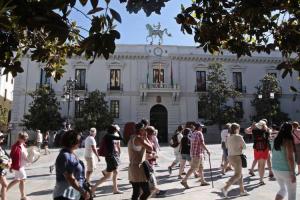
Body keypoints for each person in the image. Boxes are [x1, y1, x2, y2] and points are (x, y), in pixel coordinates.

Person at [52, 130, 90, 200]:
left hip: (75, 193)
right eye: (79, 140)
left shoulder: (70, 153)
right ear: (72, 142)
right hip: (66, 195)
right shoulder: (65, 156)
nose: (80, 142)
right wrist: (83, 191)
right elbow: (70, 178)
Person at [91, 125, 123, 195]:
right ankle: (93, 188)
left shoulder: (107, 135)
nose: (116, 131)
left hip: (109, 157)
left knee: (113, 173)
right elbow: (121, 138)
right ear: (113, 130)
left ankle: (115, 189)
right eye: (115, 130)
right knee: (109, 175)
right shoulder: (109, 136)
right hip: (110, 157)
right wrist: (118, 131)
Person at [221, 123, 249, 198]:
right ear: (236, 129)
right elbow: (245, 147)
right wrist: (239, 147)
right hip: (237, 157)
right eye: (239, 128)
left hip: (230, 157)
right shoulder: (239, 136)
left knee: (240, 174)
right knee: (238, 174)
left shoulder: (228, 136)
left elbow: (226, 146)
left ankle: (242, 191)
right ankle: (225, 188)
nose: (239, 130)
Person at [180, 123, 210, 189]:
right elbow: (201, 143)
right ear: (198, 127)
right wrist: (207, 150)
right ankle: (184, 180)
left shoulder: (193, 133)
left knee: (201, 167)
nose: (202, 128)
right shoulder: (199, 133)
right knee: (193, 168)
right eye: (201, 127)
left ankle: (202, 181)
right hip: (198, 154)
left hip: (195, 153)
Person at [272, 122, 297, 200]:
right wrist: (292, 173)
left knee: (283, 190)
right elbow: (290, 158)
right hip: (286, 170)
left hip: (276, 169)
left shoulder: (276, 140)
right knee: (292, 193)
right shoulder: (288, 141)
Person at [128, 122, 153, 200]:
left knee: (136, 192)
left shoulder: (132, 138)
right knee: (146, 192)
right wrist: (146, 138)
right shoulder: (139, 138)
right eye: (145, 129)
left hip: (133, 167)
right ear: (141, 130)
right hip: (138, 168)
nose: (146, 131)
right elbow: (150, 148)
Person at [145, 126, 167, 197]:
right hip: (147, 162)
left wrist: (153, 153)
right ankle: (156, 192)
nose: (154, 134)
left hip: (150, 162)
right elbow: (145, 155)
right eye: (153, 132)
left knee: (150, 178)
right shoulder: (145, 141)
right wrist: (153, 156)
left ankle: (156, 191)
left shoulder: (149, 139)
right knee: (151, 178)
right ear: (149, 133)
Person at [7, 132, 30, 200]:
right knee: (23, 178)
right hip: (18, 166)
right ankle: (23, 196)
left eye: (26, 139)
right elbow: (11, 157)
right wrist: (11, 167)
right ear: (19, 138)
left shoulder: (23, 145)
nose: (25, 140)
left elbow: (24, 155)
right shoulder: (15, 146)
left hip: (22, 165)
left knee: (18, 180)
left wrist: (29, 159)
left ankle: (22, 196)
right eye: (24, 139)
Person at [252, 120, 270, 185]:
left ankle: (260, 178)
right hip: (264, 149)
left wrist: (254, 125)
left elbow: (249, 129)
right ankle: (261, 180)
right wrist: (265, 127)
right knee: (263, 165)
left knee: (259, 164)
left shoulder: (254, 131)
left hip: (256, 150)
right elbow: (268, 138)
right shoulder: (266, 131)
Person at [0, 132, 11, 200]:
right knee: (5, 185)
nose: (3, 138)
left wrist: (10, 161)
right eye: (1, 137)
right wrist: (5, 163)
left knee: (5, 185)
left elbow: (8, 155)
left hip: (1, 169)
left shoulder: (1, 147)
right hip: (0, 169)